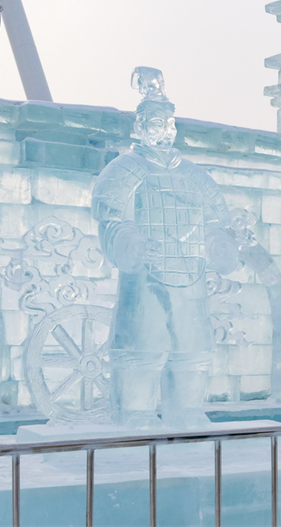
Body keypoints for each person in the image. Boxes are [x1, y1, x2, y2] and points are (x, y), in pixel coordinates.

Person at [92, 67, 240, 429]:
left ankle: (187, 410)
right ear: (140, 127)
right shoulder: (124, 169)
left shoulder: (194, 175)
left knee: (191, 348)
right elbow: (111, 220)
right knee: (141, 346)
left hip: (190, 277)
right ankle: (135, 413)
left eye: (170, 124)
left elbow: (215, 222)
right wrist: (132, 244)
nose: (166, 131)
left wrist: (219, 245)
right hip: (146, 279)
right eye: (158, 123)